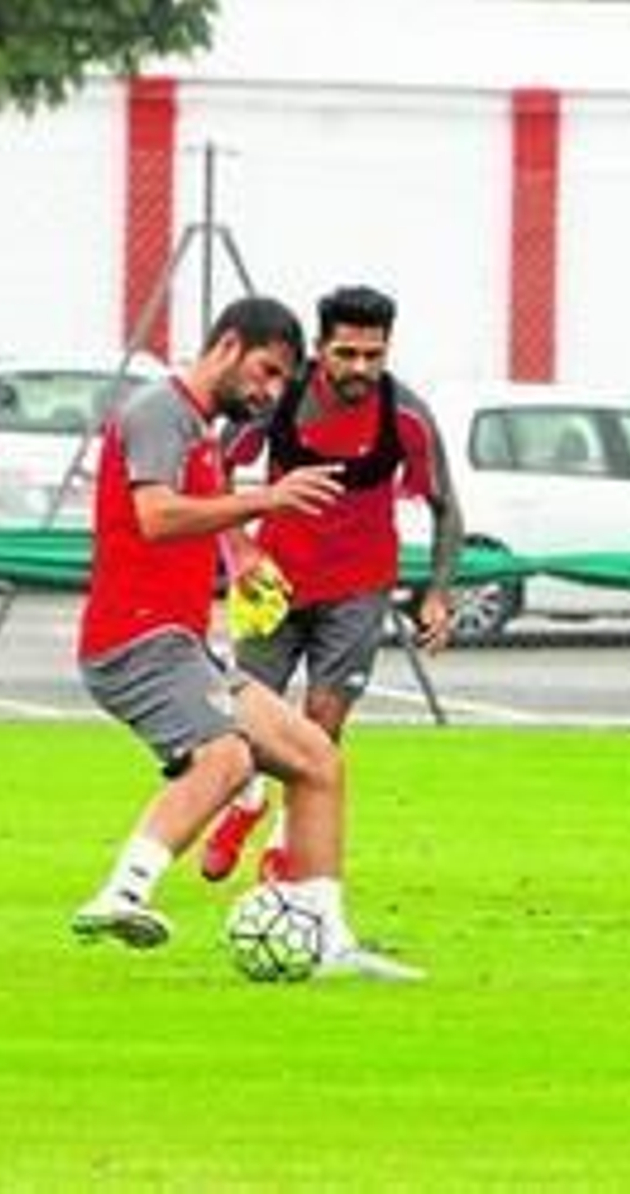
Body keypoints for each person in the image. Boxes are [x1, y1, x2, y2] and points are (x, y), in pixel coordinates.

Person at [70, 295, 422, 980]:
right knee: (227, 760)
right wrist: (269, 500)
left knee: (316, 758)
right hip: (134, 642)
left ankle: (326, 939)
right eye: (263, 373)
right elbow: (157, 516)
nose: (265, 394)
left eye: (279, 384)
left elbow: (194, 522)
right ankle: (122, 892)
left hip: (179, 642)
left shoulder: (200, 428)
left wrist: (242, 560)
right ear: (228, 345)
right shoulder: (159, 412)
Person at [200, 284, 464, 883]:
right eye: (347, 354)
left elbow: (447, 507)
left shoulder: (406, 416)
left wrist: (439, 592)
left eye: (374, 355)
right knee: (248, 720)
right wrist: (238, 546)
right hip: (274, 582)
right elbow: (215, 464)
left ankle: (287, 842)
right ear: (320, 349)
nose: (360, 368)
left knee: (321, 726)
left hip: (358, 589)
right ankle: (247, 801)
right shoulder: (278, 402)